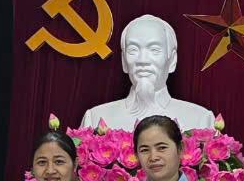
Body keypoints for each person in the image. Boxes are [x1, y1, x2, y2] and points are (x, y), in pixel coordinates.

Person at [80, 15, 214, 132]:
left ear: (172, 60)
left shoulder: (200, 119)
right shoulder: (96, 118)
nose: (142, 60)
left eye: (154, 50)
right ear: (124, 61)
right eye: (133, 50)